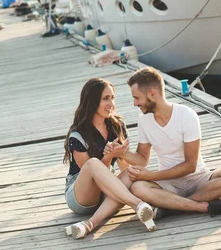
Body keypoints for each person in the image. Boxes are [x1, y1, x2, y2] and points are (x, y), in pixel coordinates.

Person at [117, 66, 221, 219]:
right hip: (169, 185)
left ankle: (171, 208)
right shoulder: (144, 120)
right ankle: (200, 206)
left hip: (198, 179)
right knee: (138, 188)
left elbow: (190, 165)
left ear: (152, 94)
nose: (134, 103)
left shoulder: (186, 115)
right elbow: (142, 159)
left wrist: (152, 176)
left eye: (137, 98)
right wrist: (122, 153)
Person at [64, 78, 156, 239]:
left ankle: (89, 224)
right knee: (93, 163)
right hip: (81, 195)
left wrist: (122, 157)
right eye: (105, 98)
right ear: (92, 101)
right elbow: (93, 175)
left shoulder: (117, 125)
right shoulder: (78, 135)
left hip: (106, 192)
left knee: (132, 172)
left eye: (112, 98)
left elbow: (125, 166)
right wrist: (108, 157)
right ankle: (137, 204)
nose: (111, 103)